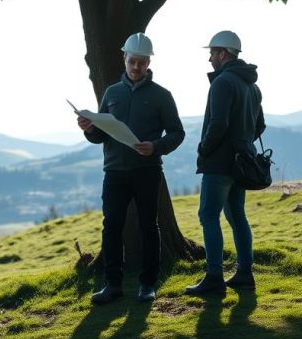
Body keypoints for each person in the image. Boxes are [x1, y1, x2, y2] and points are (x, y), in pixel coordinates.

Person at [77, 32, 185, 305]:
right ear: (124, 58)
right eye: (132, 61)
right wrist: (89, 129)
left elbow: (177, 133)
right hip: (114, 172)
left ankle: (148, 284)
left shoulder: (162, 96)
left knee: (149, 226)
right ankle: (112, 284)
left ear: (149, 63)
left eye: (142, 62)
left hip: (147, 170)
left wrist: (156, 146)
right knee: (111, 226)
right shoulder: (112, 93)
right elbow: (101, 134)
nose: (136, 67)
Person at [185, 30, 266, 296]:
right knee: (236, 216)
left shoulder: (222, 83)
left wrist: (204, 148)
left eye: (211, 53)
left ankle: (214, 277)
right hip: (242, 163)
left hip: (219, 164)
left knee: (208, 216)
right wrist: (241, 143)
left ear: (222, 53)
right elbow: (260, 126)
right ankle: (245, 274)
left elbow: (218, 124)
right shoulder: (252, 86)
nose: (209, 59)